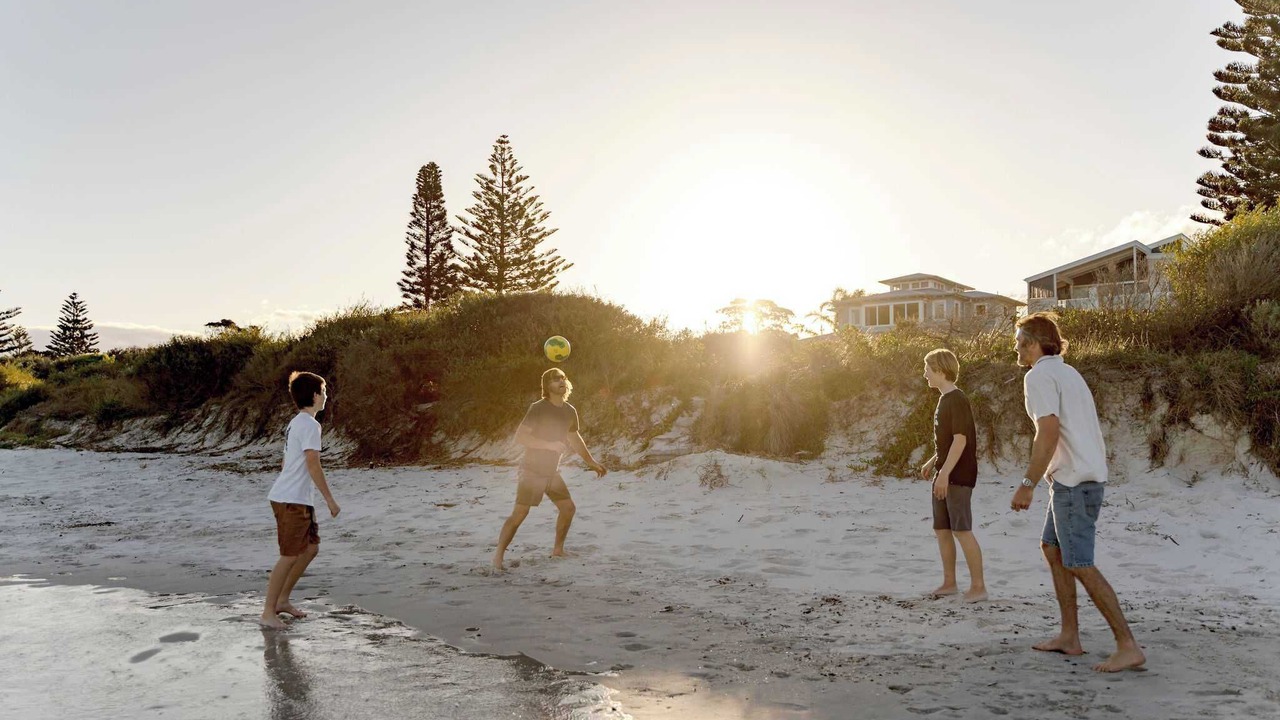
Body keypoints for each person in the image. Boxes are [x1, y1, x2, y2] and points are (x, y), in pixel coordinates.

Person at [1009, 313, 1145, 672]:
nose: (1016, 348)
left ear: (1034, 344)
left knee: (1079, 563)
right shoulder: (1068, 372)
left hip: (1074, 484)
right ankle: (1070, 636)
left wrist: (1028, 483)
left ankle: (1127, 644)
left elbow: (1048, 432)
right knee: (1052, 549)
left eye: (1019, 341)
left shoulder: (1038, 376)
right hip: (1080, 480)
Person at [492, 368, 606, 572]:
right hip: (532, 470)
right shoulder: (539, 408)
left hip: (551, 472)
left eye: (563, 378)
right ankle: (498, 557)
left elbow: (575, 438)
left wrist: (591, 461)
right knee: (520, 514)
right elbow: (521, 437)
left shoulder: (570, 410)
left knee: (568, 508)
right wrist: (549, 445)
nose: (561, 381)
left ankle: (558, 550)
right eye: (555, 379)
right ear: (547, 386)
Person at [260, 371, 341, 629]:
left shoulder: (297, 422)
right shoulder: (309, 425)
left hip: (297, 498)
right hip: (291, 500)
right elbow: (313, 464)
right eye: (324, 391)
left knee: (310, 549)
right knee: (289, 555)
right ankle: (267, 613)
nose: (326, 396)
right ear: (316, 395)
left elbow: (286, 460)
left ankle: (282, 601)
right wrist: (330, 500)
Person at [920, 348, 987, 603]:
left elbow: (960, 441)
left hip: (957, 475)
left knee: (961, 530)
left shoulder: (957, 399)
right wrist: (932, 463)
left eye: (927, 369)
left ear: (939, 370)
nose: (925, 374)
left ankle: (979, 587)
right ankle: (950, 583)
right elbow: (947, 443)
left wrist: (944, 474)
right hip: (944, 472)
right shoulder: (943, 399)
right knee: (942, 529)